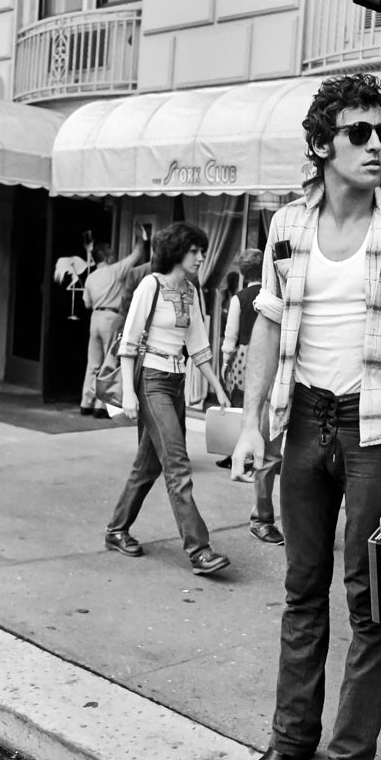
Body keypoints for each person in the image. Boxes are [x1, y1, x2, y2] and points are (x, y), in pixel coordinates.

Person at [232, 73, 381, 760]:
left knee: (370, 600)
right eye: (360, 133)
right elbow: (265, 320)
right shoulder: (287, 224)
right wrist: (254, 417)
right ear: (322, 144)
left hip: (376, 428)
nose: (376, 147)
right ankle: (291, 739)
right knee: (300, 588)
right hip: (305, 424)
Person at [105, 223, 232, 576]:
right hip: (152, 381)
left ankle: (117, 529)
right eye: (196, 251)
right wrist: (130, 394)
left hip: (176, 381)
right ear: (178, 251)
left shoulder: (190, 291)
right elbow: (129, 342)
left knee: (148, 465)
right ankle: (199, 549)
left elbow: (199, 344)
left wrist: (217, 388)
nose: (202, 257)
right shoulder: (151, 284)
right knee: (177, 464)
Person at [220, 248, 284, 545]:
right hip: (273, 363)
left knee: (248, 413)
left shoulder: (239, 299)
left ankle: (243, 450)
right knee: (268, 439)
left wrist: (225, 360)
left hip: (247, 358)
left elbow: (231, 336)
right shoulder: (275, 296)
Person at [80, 228, 145, 418]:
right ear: (107, 257)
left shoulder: (91, 277)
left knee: (92, 363)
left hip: (95, 317)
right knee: (108, 362)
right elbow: (137, 254)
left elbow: (86, 303)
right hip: (111, 317)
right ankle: (101, 406)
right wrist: (141, 236)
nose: (115, 255)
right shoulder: (115, 271)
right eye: (111, 252)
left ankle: (86, 402)